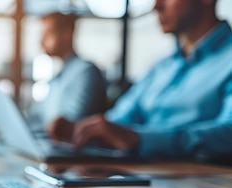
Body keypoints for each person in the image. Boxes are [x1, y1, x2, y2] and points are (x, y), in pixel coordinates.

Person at [48, 0, 232, 160]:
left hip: (204, 185)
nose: (156, 6)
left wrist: (140, 139)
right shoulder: (161, 68)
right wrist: (81, 131)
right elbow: (119, 121)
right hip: (147, 177)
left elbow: (228, 133)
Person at [29, 12, 107, 128]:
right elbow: (38, 116)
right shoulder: (57, 76)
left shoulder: (86, 72)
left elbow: (70, 125)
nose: (41, 41)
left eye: (47, 34)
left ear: (67, 33)